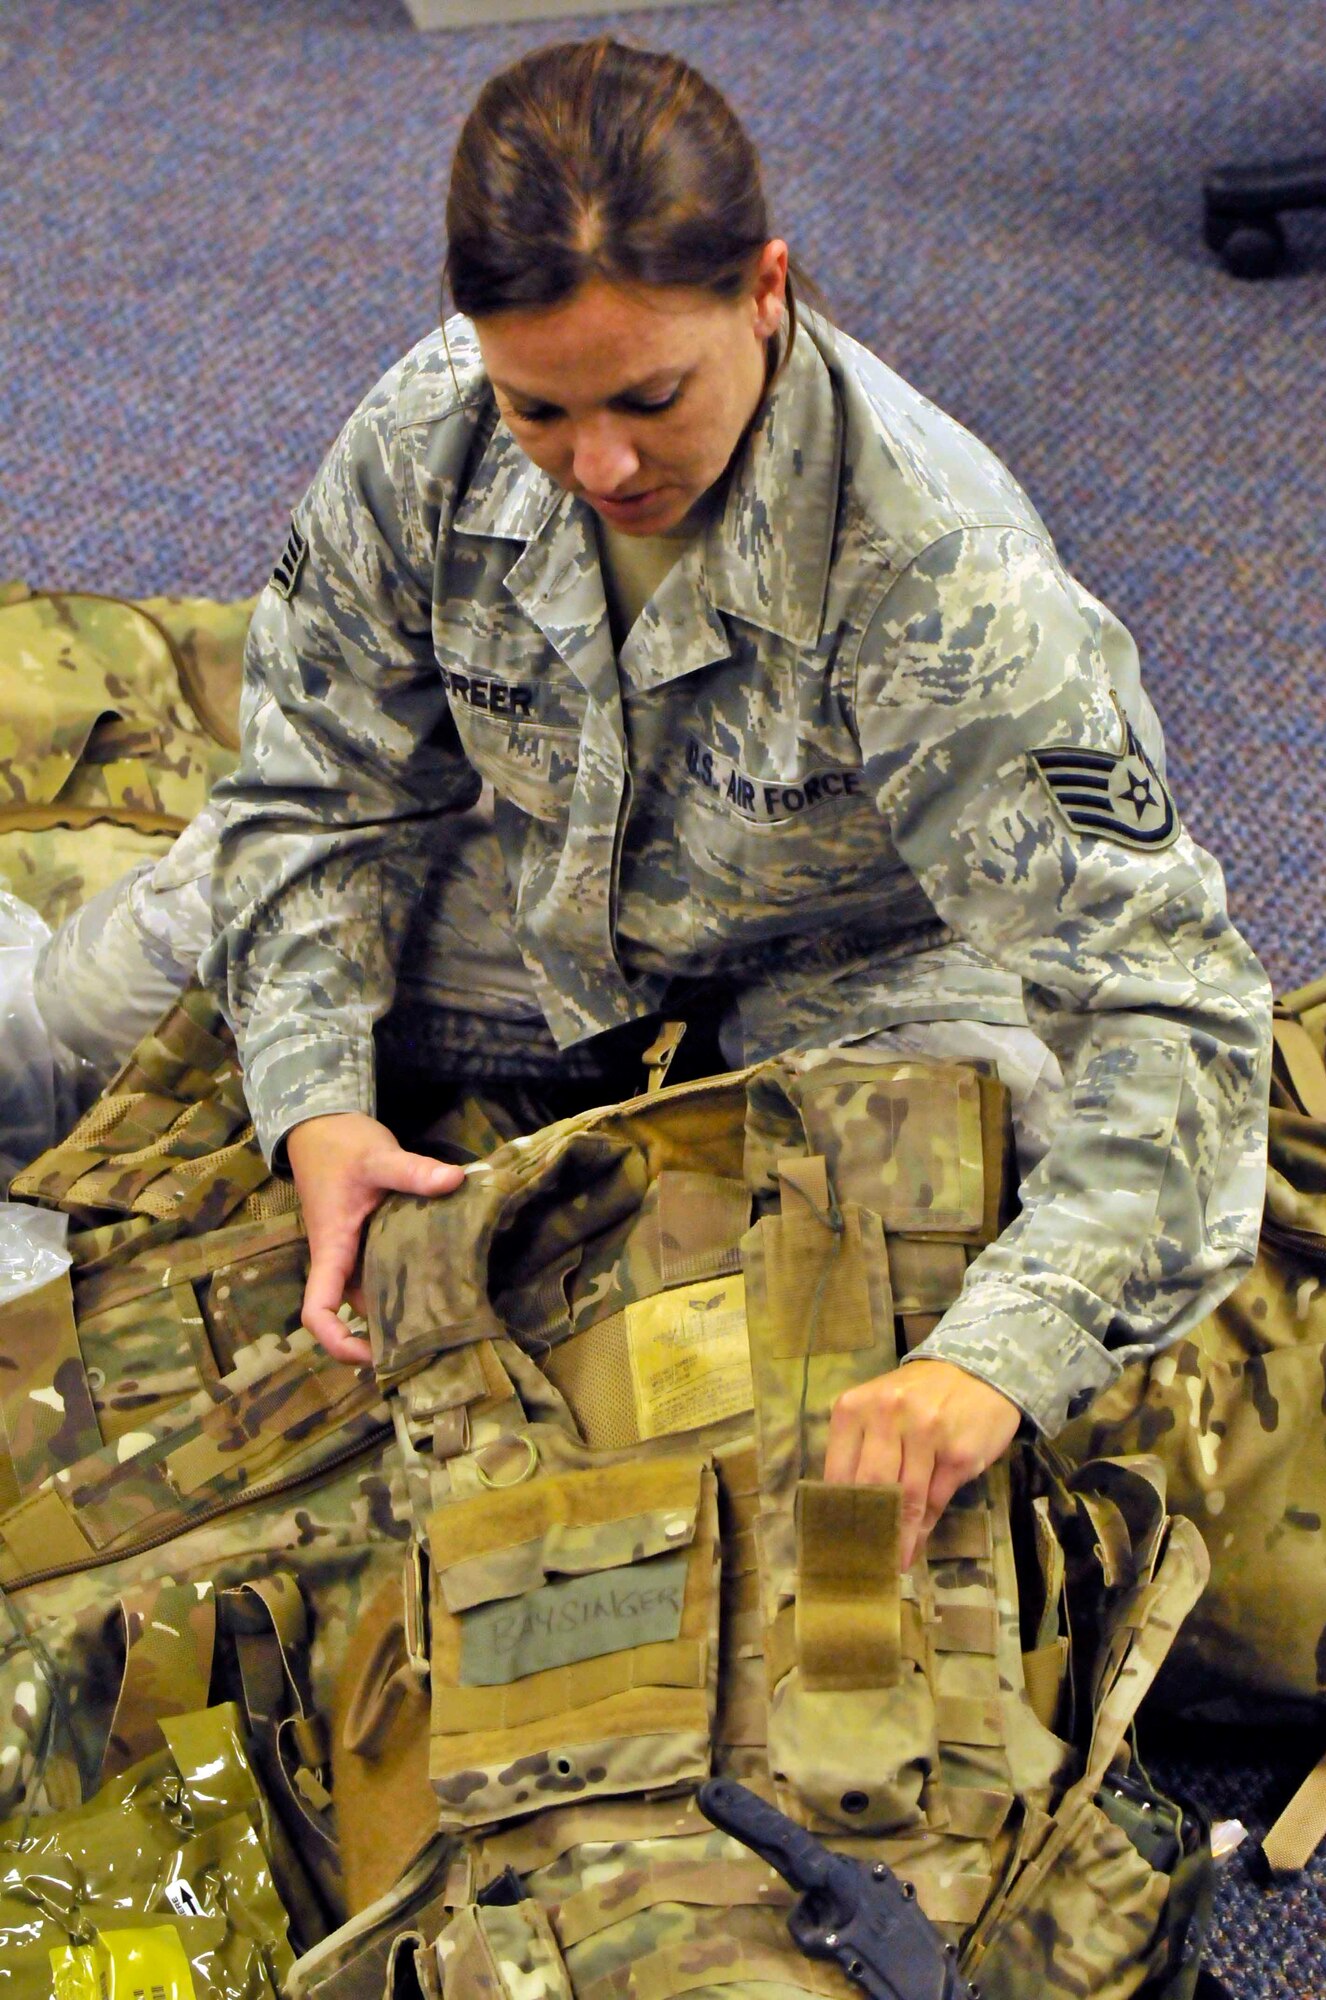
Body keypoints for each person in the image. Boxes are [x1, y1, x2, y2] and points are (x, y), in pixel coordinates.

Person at [201, 35, 1271, 1571]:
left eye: (647, 396)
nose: (601, 463)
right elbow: (313, 787)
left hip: (851, 966)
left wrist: (994, 1360)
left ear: (766, 290)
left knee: (985, 1242)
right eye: (540, 413)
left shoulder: (943, 579)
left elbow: (1179, 1011)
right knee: (119, 989)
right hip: (528, 881)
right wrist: (315, 1099)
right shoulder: (428, 427)